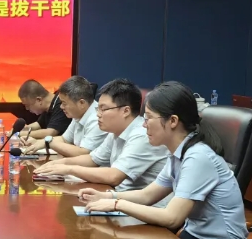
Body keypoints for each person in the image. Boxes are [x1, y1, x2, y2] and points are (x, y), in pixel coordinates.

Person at [80, 81, 248, 239]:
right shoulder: (179, 153)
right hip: (191, 238)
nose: (144, 125)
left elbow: (171, 218)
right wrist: (108, 196)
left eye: (148, 118)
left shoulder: (198, 156)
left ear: (173, 121)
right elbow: (147, 195)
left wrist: (117, 204)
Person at [34, 78, 168, 191]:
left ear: (126, 111)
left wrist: (69, 169)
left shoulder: (141, 135)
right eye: (98, 109)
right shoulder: (115, 132)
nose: (98, 114)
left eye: (103, 109)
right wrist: (60, 163)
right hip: (119, 198)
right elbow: (93, 159)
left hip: (145, 208)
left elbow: (113, 176)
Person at [22, 76, 107, 157]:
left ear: (81, 103)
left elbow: (83, 153)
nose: (61, 107)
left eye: (64, 103)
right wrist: (39, 142)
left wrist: (49, 143)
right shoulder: (78, 114)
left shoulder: (97, 119)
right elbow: (64, 139)